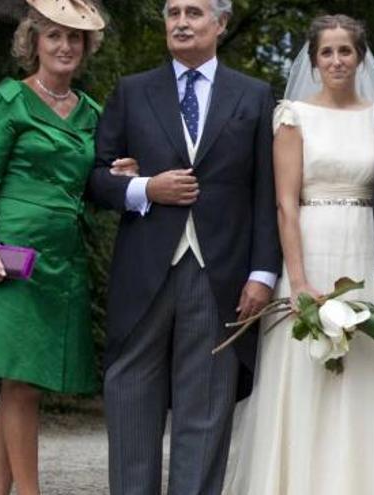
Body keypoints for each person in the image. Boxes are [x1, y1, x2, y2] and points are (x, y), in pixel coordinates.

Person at [86, 0, 281, 492]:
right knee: (130, 400)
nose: (181, 22)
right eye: (173, 12)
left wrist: (263, 273)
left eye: (194, 12)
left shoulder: (255, 96)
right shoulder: (133, 91)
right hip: (144, 271)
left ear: (220, 23)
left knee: (207, 412)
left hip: (221, 277)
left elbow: (266, 192)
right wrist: (145, 189)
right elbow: (94, 178)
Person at [222, 14, 374, 495]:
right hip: (309, 249)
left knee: (367, 368)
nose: (336, 60)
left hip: (365, 251)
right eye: (326, 52)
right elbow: (286, 204)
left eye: (345, 51)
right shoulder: (293, 115)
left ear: (360, 57)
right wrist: (299, 279)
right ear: (312, 61)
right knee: (304, 371)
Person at [0, 1, 113, 494]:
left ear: (86, 49)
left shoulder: (93, 112)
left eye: (74, 39)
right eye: (54, 36)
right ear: (33, 42)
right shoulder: (9, 100)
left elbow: (90, 184)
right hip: (11, 255)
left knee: (21, 384)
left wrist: (115, 177)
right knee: (22, 383)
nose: (64, 47)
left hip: (61, 260)